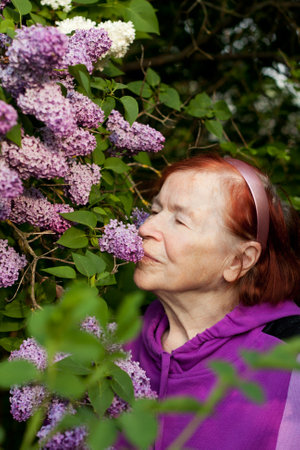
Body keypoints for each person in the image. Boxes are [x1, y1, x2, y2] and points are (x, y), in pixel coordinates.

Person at [125, 153, 300, 450]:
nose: (145, 229)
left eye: (180, 220)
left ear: (238, 261)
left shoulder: (289, 360)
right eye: (154, 211)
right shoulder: (119, 338)